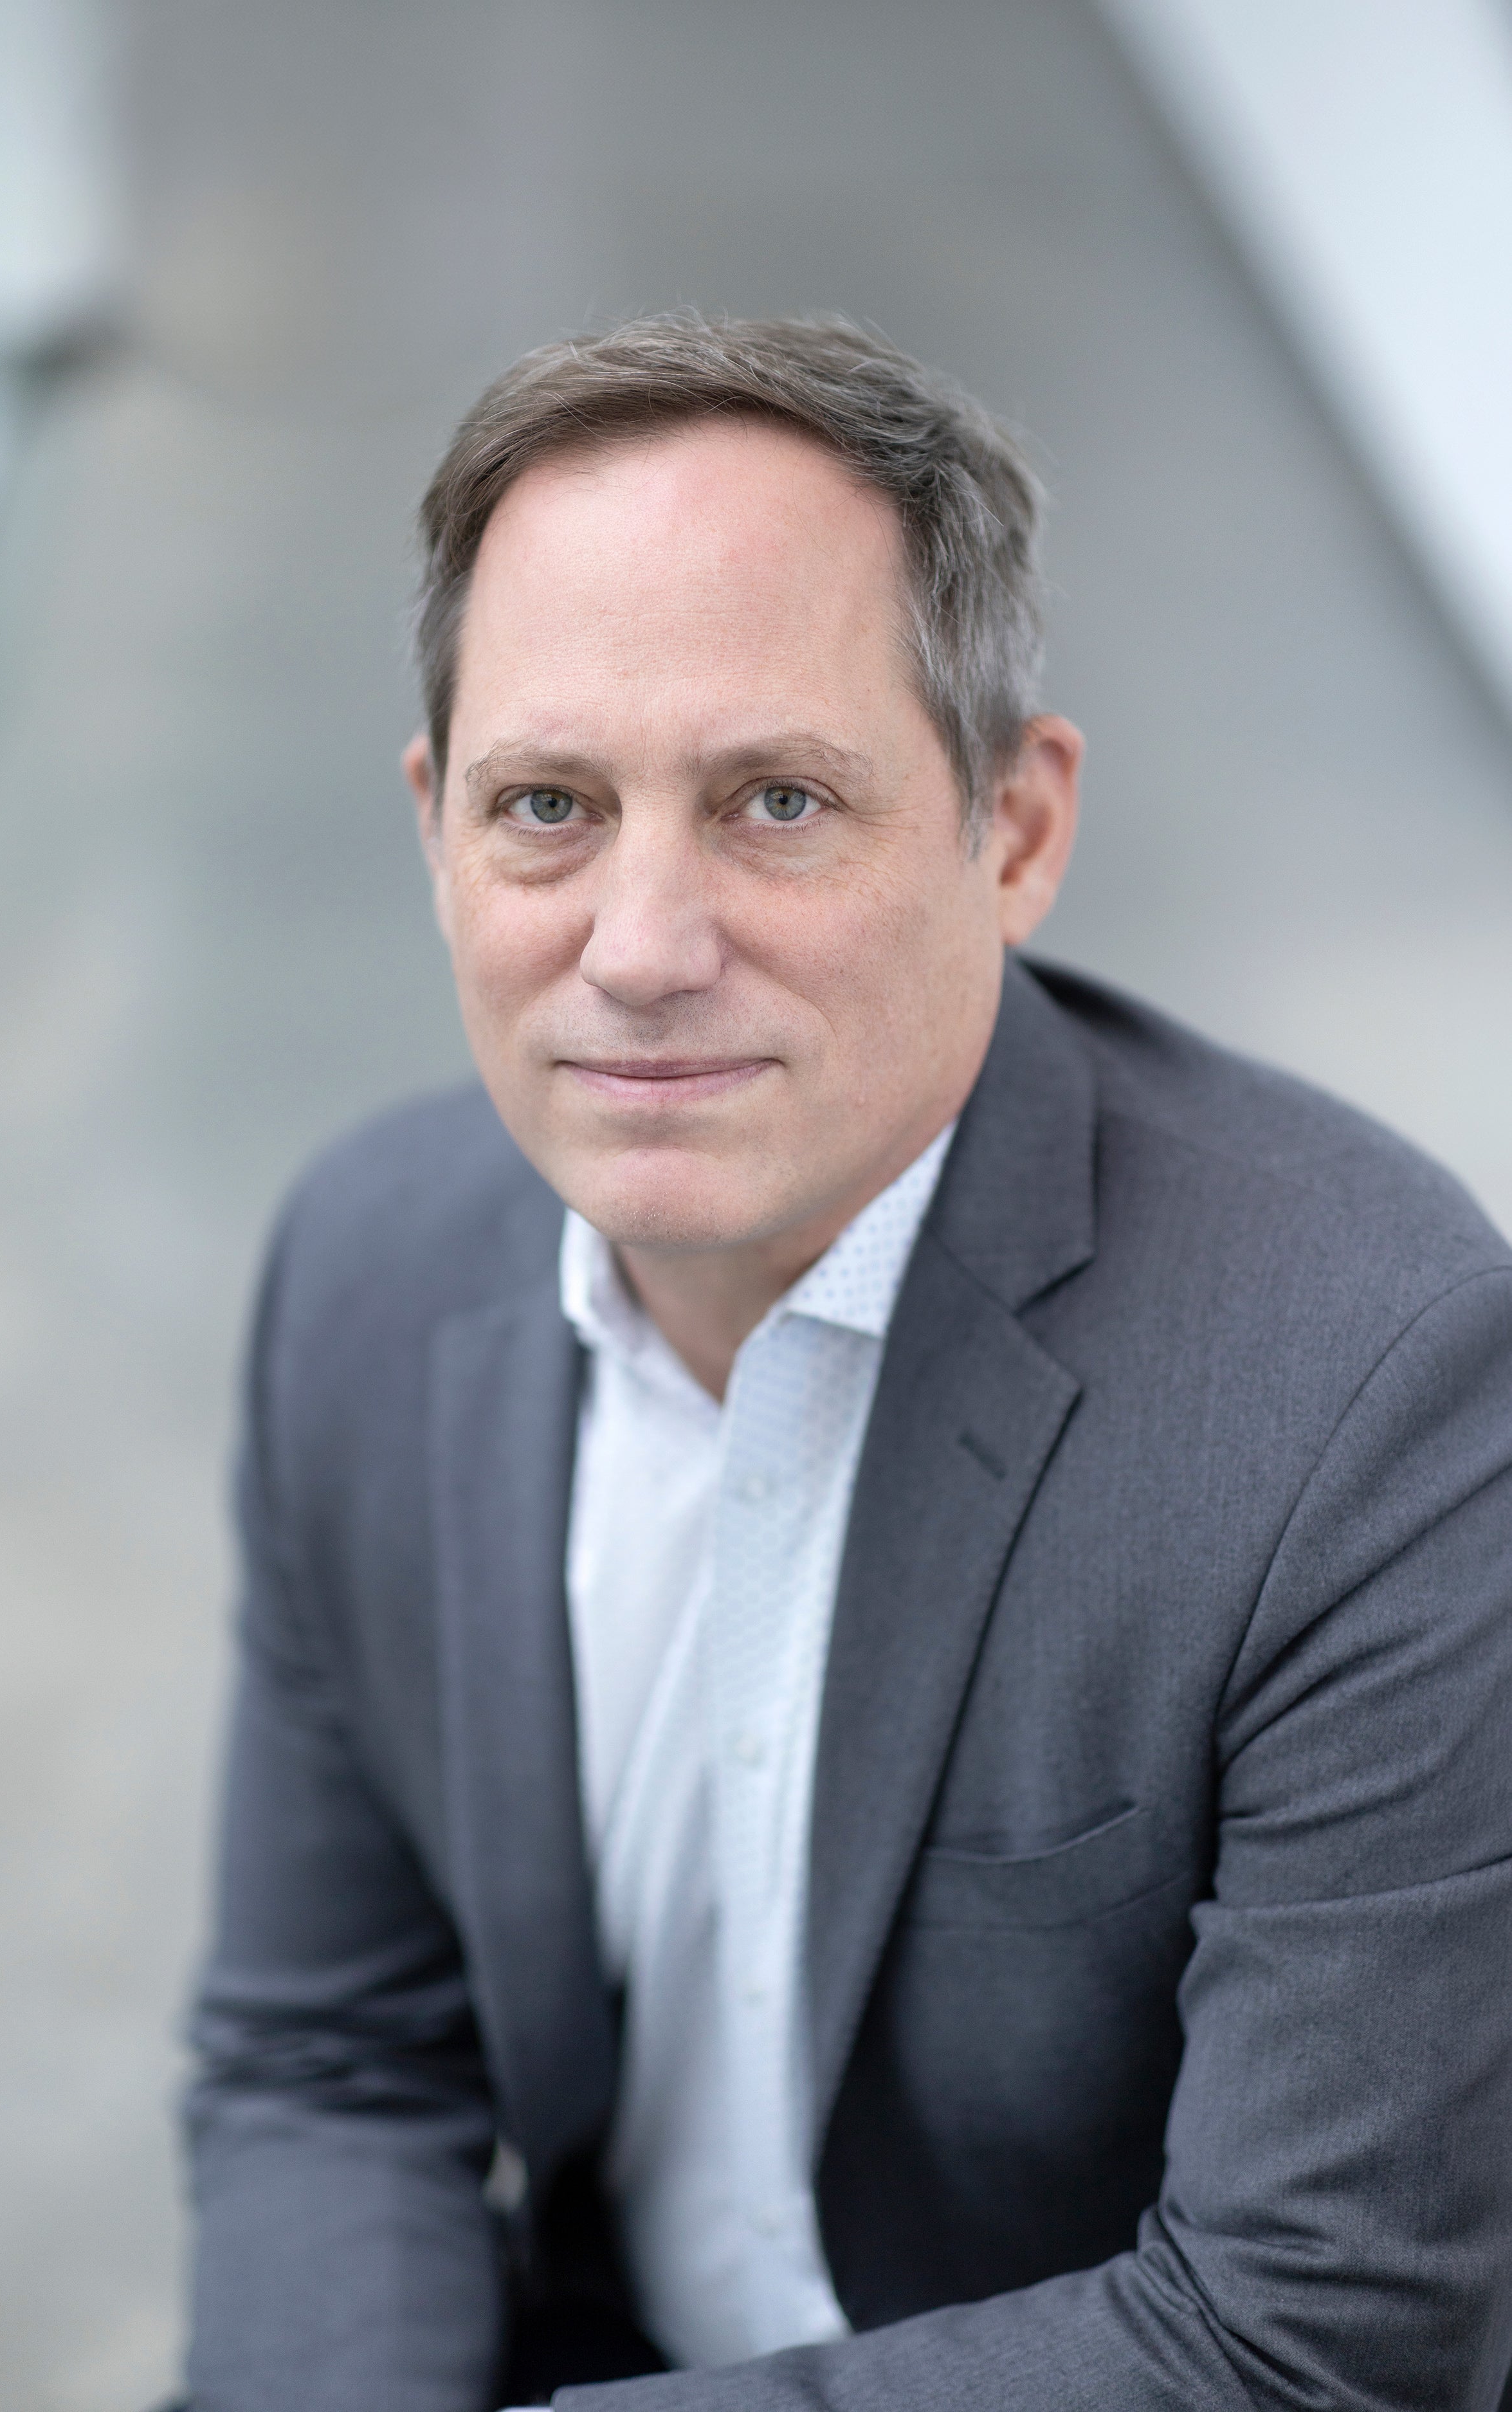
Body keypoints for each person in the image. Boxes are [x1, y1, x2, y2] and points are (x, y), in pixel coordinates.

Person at [181, 315, 1512, 2412]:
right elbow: (334, 2059)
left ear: (1011, 826)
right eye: (548, 806)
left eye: (774, 802)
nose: (637, 945)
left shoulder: (1372, 1388)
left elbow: (1306, 2340)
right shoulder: (366, 1276)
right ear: (436, 829)